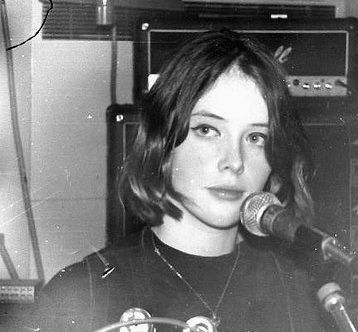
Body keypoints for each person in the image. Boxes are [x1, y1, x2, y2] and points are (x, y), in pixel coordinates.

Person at [19, 29, 333, 331]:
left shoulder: (304, 294)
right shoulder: (81, 292)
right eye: (207, 130)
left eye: (255, 137)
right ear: (163, 142)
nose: (234, 162)